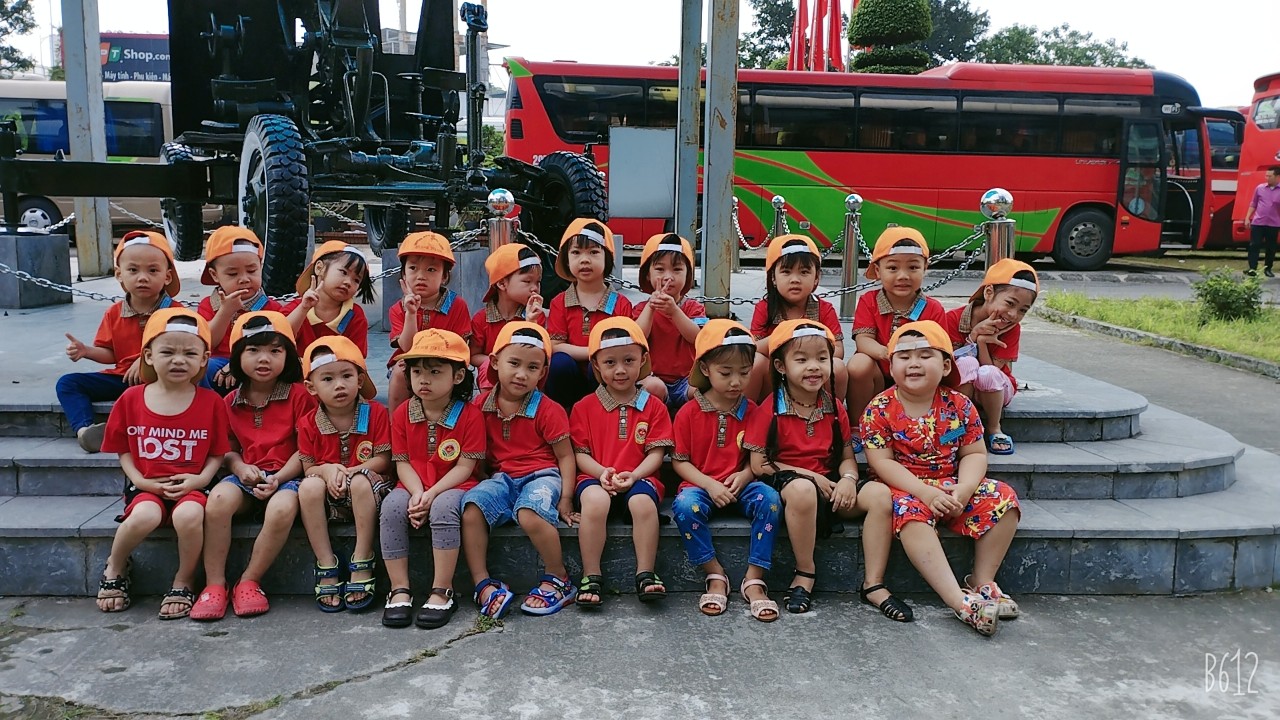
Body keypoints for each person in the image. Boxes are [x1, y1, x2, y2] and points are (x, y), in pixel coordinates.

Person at [861, 321, 1021, 637]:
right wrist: (924, 492)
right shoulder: (879, 409)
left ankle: (982, 581)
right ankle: (958, 600)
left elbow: (974, 453)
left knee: (1003, 497)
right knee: (909, 514)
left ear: (946, 365)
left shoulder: (959, 405)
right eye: (904, 357)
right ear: (891, 366)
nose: (914, 363)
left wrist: (965, 489)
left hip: (951, 484)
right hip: (905, 488)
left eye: (925, 355)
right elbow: (882, 463)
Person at [744, 320, 909, 620]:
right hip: (791, 484)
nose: (814, 367)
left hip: (830, 486)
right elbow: (759, 465)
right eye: (801, 360)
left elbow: (846, 457)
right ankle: (804, 573)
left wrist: (848, 478)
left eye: (822, 358)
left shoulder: (835, 408)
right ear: (780, 366)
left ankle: (873, 583)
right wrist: (809, 476)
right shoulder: (770, 409)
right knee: (803, 490)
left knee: (880, 495)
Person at [96, 309, 229, 620]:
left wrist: (200, 480)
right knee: (144, 515)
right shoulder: (130, 399)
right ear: (148, 355)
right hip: (146, 485)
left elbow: (218, 453)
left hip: (193, 486)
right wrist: (140, 481)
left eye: (189, 354)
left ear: (204, 359)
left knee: (189, 515)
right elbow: (123, 450)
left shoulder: (211, 402)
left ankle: (184, 579)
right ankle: (115, 565)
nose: (178, 360)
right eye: (167, 352)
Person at [191, 312, 313, 621]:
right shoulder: (229, 401)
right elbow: (227, 450)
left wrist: (279, 478)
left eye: (275, 350)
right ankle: (215, 583)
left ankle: (249, 580)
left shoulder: (300, 397)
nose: (264, 359)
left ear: (288, 356)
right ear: (236, 357)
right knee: (218, 500)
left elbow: (307, 449)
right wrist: (240, 467)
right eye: (253, 350)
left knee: (283, 507)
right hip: (246, 476)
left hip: (289, 477)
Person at [461, 322, 578, 618]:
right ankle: (482, 584)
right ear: (495, 362)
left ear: (543, 373)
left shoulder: (548, 409)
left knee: (529, 512)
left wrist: (566, 498)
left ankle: (559, 577)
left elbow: (565, 456)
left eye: (532, 367)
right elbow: (477, 453)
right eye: (514, 363)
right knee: (472, 508)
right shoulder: (480, 406)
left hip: (542, 475)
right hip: (501, 478)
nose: (522, 374)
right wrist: (481, 479)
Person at [670, 320, 782, 622]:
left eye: (744, 373)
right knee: (684, 507)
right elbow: (680, 461)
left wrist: (745, 474)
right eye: (726, 373)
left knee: (770, 499)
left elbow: (757, 459)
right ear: (705, 369)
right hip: (701, 485)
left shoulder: (754, 411)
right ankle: (715, 573)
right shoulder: (688, 413)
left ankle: (754, 578)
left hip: (742, 484)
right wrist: (709, 484)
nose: (736, 382)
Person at [381, 329, 486, 629]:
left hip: (455, 484)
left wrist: (431, 494)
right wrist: (417, 493)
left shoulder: (470, 415)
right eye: (417, 372)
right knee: (391, 507)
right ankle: (399, 588)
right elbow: (401, 461)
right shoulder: (403, 412)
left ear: (458, 376)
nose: (423, 380)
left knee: (443, 509)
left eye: (435, 372)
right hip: (411, 482)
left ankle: (442, 589)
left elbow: (465, 466)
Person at [570, 318, 675, 608]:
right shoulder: (583, 407)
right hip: (595, 477)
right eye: (610, 362)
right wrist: (602, 472)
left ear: (643, 360)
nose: (620, 370)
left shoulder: (653, 406)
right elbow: (580, 454)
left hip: (640, 477)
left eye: (629, 360)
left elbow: (657, 454)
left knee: (643, 505)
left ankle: (646, 573)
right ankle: (591, 574)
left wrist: (635, 475)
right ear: (596, 365)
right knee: (595, 502)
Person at [58, 230, 182, 453]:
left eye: (153, 270)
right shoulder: (114, 313)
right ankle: (85, 431)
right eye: (133, 270)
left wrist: (145, 361)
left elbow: (181, 352)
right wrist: (86, 351)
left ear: (167, 276)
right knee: (68, 383)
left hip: (159, 380)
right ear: (119, 274)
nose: (142, 277)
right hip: (122, 378)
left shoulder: (176, 313)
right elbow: (111, 354)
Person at [296, 336, 393, 613]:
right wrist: (327, 470)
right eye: (327, 379)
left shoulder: (376, 413)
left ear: (360, 380)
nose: (339, 385)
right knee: (308, 487)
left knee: (361, 481)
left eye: (347, 376)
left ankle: (362, 557)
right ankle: (326, 561)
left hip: (369, 491)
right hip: (331, 496)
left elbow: (383, 459)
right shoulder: (308, 423)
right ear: (311, 387)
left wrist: (350, 472)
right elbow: (308, 468)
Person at [546, 218, 659, 408]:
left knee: (602, 364)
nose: (584, 259)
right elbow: (555, 346)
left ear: (607, 258)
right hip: (570, 375)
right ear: (566, 259)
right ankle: (563, 414)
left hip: (608, 374)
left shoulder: (620, 304)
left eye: (593, 252)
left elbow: (631, 342)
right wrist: (593, 352)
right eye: (576, 252)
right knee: (558, 363)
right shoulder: (560, 302)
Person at [942, 259, 1039, 456]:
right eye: (1010, 303)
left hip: (996, 390)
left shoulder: (1012, 329)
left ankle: (994, 427)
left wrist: (982, 343)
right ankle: (958, 424)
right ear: (988, 293)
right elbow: (946, 364)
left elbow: (992, 369)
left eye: (1023, 310)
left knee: (987, 372)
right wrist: (973, 337)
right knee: (966, 362)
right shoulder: (952, 319)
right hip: (960, 387)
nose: (1013, 314)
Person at [847, 227, 946, 419]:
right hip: (877, 375)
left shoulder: (933, 309)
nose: (903, 276)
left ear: (925, 268)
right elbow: (863, 340)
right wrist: (886, 353)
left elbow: (939, 351)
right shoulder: (869, 301)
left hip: (916, 374)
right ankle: (857, 424)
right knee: (859, 364)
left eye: (913, 267)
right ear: (878, 270)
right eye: (893, 268)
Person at [748, 234, 846, 403]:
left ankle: (831, 413)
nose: (795, 279)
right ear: (773, 277)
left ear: (816, 278)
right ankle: (751, 412)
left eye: (804, 272)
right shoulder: (765, 308)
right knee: (756, 362)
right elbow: (753, 348)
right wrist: (785, 337)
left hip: (811, 369)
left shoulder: (824, 308)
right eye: (786, 272)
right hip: (776, 369)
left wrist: (812, 354)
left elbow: (838, 349)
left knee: (837, 366)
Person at [386, 232, 473, 410]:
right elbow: (407, 347)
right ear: (403, 273)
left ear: (444, 276)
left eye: (431, 270)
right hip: (410, 361)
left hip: (446, 360)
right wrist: (411, 314)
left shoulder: (457, 305)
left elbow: (461, 347)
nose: (421, 276)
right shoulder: (398, 308)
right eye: (413, 268)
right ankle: (395, 422)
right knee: (400, 373)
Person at [195, 226, 282, 392]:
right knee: (203, 367)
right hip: (218, 364)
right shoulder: (208, 305)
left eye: (251, 271)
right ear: (215, 275)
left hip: (259, 362)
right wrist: (225, 312)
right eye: (233, 274)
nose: (244, 279)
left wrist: (238, 365)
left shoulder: (271, 309)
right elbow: (206, 343)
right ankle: (209, 405)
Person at [632, 233, 707, 412]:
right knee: (652, 388)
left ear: (688, 274)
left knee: (704, 390)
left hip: (687, 380)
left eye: (677, 270)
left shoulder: (694, 307)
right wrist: (651, 307)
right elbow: (637, 338)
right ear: (648, 274)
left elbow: (698, 338)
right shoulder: (641, 308)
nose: (668, 277)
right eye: (660, 269)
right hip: (652, 377)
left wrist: (674, 311)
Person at [469, 243, 547, 390]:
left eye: (538, 282)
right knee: (486, 366)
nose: (534, 288)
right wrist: (501, 363)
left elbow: (539, 354)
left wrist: (531, 322)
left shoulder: (537, 316)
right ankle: (487, 403)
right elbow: (473, 356)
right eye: (527, 281)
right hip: (493, 374)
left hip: (525, 375)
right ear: (502, 283)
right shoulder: (481, 319)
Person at [284, 241, 374, 357]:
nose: (348, 282)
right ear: (319, 268)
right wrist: (303, 309)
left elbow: (356, 358)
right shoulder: (296, 308)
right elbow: (280, 337)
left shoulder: (355, 315)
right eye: (343, 272)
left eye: (356, 280)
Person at [1244, 165, 1280, 278]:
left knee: (1271, 247)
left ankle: (1267, 268)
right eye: (1266, 176)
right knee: (1254, 245)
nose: (1267, 178)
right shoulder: (1260, 188)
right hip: (1258, 222)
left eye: (1270, 176)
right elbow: (1253, 203)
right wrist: (1247, 217)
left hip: (1273, 223)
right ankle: (1252, 268)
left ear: (1277, 177)